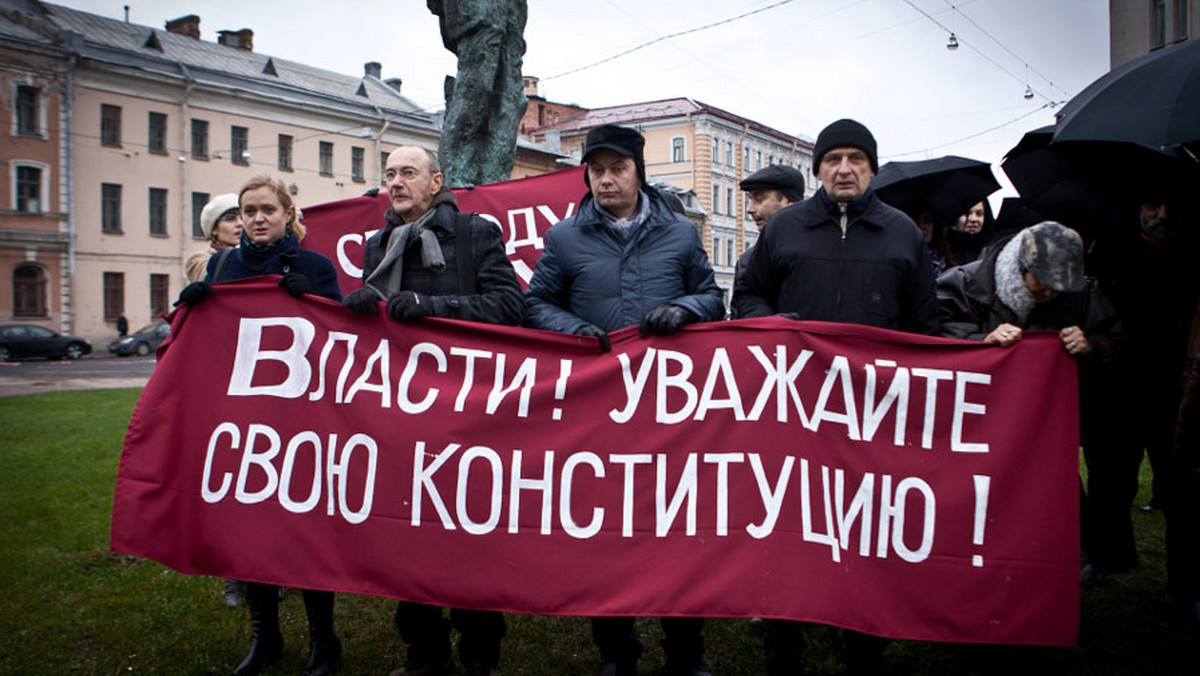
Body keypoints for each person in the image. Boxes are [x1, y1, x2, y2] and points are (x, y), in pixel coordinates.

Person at [734, 118, 939, 676]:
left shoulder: (902, 234)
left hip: (873, 414)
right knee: (790, 531)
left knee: (864, 533)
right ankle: (784, 642)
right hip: (795, 413)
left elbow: (927, 325)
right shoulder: (785, 229)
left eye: (856, 159)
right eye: (833, 160)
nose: (844, 169)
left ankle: (863, 641)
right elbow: (746, 300)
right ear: (817, 169)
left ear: (871, 167)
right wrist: (777, 325)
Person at [524, 124, 724, 676]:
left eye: (617, 169)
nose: (606, 179)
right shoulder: (565, 238)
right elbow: (536, 303)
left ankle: (686, 652)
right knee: (606, 536)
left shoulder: (681, 234)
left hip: (670, 409)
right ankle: (617, 650)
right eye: (596, 170)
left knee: (680, 534)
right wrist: (574, 328)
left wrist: (685, 311)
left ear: (639, 172)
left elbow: (712, 296)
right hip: (602, 411)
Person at [342, 145, 523, 676]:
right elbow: (381, 326)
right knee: (406, 538)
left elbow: (510, 308)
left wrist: (431, 309)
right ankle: (425, 653)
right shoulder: (379, 244)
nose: (396, 183)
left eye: (408, 173)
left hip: (471, 416)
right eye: (389, 174)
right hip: (403, 421)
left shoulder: (474, 235)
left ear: (436, 180)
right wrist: (360, 306)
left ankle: (479, 657)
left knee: (469, 542)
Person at [935, 221, 1124, 673]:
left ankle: (1028, 620)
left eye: (1062, 289)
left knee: (1031, 528)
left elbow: (1118, 341)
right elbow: (930, 340)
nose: (1051, 297)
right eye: (1043, 286)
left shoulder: (1078, 293)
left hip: (1036, 445)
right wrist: (979, 344)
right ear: (1019, 268)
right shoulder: (962, 284)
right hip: (971, 440)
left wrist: (1092, 346)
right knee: (971, 528)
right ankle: (968, 621)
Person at [176, 176, 343, 676]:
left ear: (288, 213)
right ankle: (264, 638)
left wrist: (316, 300)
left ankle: (323, 642)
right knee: (251, 532)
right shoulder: (224, 266)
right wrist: (194, 310)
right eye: (248, 211)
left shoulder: (315, 266)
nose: (257, 218)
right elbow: (211, 351)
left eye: (268, 208)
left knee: (305, 532)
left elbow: (345, 343)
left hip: (301, 422)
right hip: (245, 422)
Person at [731, 165, 806, 316]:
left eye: (759, 199)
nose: (750, 209)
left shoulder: (824, 247)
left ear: (787, 200)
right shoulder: (748, 260)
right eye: (750, 199)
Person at [185, 193, 243, 283]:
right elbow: (213, 279)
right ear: (214, 229)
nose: (240, 224)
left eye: (243, 218)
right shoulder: (198, 260)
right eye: (230, 218)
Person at [944, 200, 994, 267]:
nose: (973, 219)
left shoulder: (992, 250)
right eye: (967, 213)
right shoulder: (941, 250)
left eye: (979, 214)